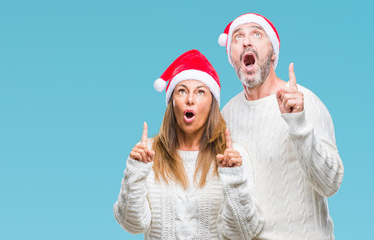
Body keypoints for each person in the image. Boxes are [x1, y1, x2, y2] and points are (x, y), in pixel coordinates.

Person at [217, 13, 344, 239]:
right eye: (238, 37)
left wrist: (299, 124)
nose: (246, 41)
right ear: (232, 57)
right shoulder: (226, 115)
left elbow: (331, 184)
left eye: (257, 34)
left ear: (273, 53)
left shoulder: (304, 101)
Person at [114, 49, 263, 239]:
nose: (190, 99)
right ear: (172, 102)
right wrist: (135, 173)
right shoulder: (147, 153)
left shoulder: (232, 155)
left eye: (200, 92)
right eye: (182, 91)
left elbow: (244, 232)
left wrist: (234, 179)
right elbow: (132, 225)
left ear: (212, 103)